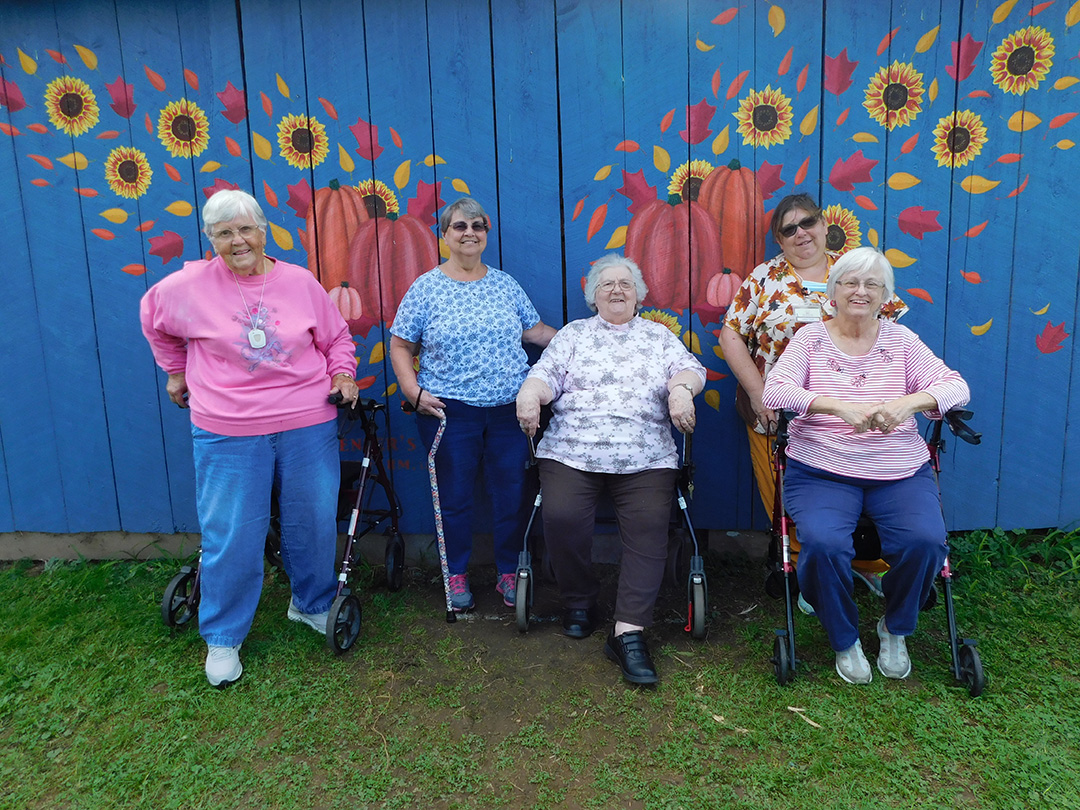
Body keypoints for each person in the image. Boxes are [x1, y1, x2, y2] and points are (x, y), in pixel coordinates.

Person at [141, 189, 359, 688]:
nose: (238, 241)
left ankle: (312, 604)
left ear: (263, 231)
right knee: (232, 531)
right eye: (224, 233)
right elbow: (154, 321)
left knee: (313, 520)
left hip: (307, 420)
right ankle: (223, 635)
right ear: (210, 239)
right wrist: (176, 370)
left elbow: (337, 338)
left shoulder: (299, 282)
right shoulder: (187, 286)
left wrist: (343, 374)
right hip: (228, 427)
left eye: (245, 229)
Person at [761, 247, 969, 684]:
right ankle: (844, 637)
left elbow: (956, 386)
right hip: (822, 469)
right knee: (823, 544)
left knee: (926, 541)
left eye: (872, 284)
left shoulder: (902, 341)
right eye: (850, 282)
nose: (860, 291)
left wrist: (909, 403)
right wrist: (838, 407)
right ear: (833, 291)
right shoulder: (810, 340)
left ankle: (895, 627)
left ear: (885, 296)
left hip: (898, 471)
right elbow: (775, 390)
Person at [516, 254, 705, 685]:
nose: (617, 290)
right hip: (572, 452)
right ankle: (579, 599)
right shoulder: (574, 335)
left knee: (650, 524)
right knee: (561, 515)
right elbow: (545, 374)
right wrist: (530, 393)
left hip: (645, 456)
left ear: (638, 295)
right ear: (593, 296)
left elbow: (690, 370)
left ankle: (628, 632)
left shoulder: (658, 336)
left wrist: (680, 391)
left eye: (625, 284)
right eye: (607, 284)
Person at [720, 194, 907, 596]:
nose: (801, 233)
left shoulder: (853, 272)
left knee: (861, 487)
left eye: (807, 223)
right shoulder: (764, 278)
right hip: (779, 412)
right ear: (779, 239)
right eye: (789, 229)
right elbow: (730, 335)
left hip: (851, 412)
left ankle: (865, 563)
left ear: (824, 226)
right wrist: (759, 394)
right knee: (787, 494)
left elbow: (892, 333)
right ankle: (807, 568)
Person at [389, 197, 555, 612]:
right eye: (460, 226)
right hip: (449, 412)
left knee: (512, 494)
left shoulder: (505, 285)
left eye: (477, 226)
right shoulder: (426, 288)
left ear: (486, 233)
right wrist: (411, 390)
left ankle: (509, 572)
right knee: (455, 496)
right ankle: (455, 573)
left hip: (509, 411)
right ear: (444, 235)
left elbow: (536, 333)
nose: (469, 233)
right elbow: (401, 344)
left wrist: (585, 341)